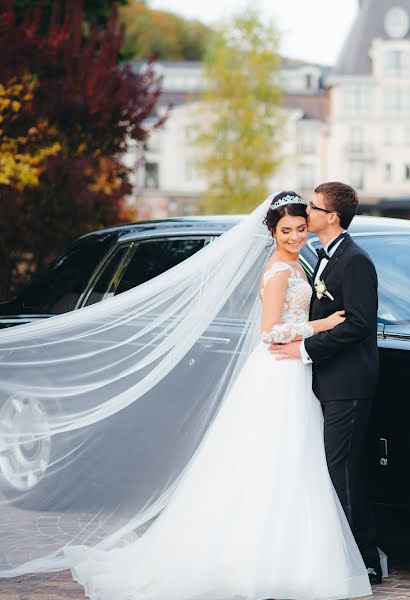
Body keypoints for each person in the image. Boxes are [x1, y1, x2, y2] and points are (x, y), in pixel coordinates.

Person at [60, 191, 373, 599]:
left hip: (298, 374)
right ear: (272, 232)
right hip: (280, 371)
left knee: (294, 466)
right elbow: (269, 331)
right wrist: (321, 326)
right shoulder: (279, 269)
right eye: (286, 231)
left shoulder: (303, 262)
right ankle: (257, 561)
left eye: (300, 228)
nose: (296, 236)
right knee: (270, 466)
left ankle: (287, 558)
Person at [268, 182, 382, 584]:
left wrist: (305, 349)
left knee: (340, 472)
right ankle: (360, 554)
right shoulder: (320, 257)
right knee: (337, 470)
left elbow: (360, 324)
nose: (305, 211)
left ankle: (361, 560)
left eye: (313, 207)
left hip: (348, 384)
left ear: (331, 216)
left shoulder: (354, 261)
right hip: (325, 383)